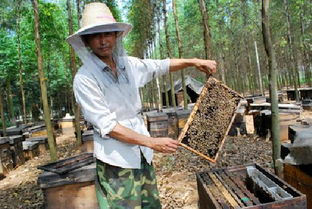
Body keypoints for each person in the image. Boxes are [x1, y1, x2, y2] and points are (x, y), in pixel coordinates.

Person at [67, 2, 217, 209]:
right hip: (116, 160)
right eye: (96, 36)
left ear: (116, 35)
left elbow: (160, 65)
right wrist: (151, 142)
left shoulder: (127, 64)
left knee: (150, 204)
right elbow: (108, 126)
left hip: (142, 154)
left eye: (107, 34)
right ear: (86, 41)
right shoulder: (85, 79)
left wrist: (193, 61)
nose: (103, 41)